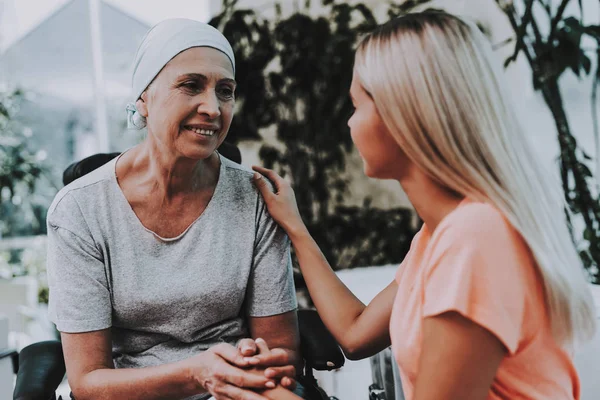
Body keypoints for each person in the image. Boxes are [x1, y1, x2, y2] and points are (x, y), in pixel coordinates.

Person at [252, 11, 598, 400]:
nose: (350, 123)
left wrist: (265, 393)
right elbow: (354, 332)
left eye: (357, 105)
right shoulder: (441, 235)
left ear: (402, 114)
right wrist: (295, 228)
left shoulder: (476, 238)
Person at [46, 18, 302, 400]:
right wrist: (197, 374)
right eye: (191, 85)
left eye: (226, 91)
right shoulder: (80, 210)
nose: (213, 108)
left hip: (238, 390)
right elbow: (88, 382)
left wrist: (246, 366)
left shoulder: (254, 198)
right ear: (143, 98)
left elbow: (282, 354)